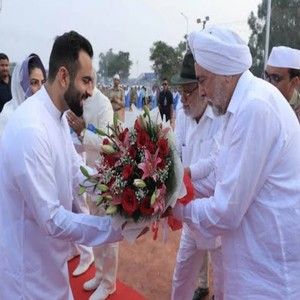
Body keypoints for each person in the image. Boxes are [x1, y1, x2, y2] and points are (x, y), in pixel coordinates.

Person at [172, 26, 300, 299]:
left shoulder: (254, 107)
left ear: (226, 75)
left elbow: (225, 212)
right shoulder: (240, 105)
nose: (202, 91)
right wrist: (174, 185)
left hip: (268, 274)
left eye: (203, 80)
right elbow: (221, 172)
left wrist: (173, 208)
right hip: (252, 263)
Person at [0, 31, 123, 300]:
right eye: (86, 81)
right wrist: (114, 229)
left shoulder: (57, 117)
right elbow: (53, 220)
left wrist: (120, 191)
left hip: (51, 271)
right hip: (27, 283)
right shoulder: (31, 128)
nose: (91, 91)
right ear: (64, 76)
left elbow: (75, 172)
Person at [171, 52, 223, 300]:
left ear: (202, 91)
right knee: (182, 270)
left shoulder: (220, 117)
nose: (182, 99)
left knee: (223, 275)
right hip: (190, 204)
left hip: (215, 208)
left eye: (188, 92)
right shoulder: (182, 114)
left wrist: (186, 174)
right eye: (180, 92)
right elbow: (177, 147)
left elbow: (215, 161)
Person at [67, 80, 119, 300]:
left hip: (108, 177)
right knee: (96, 228)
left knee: (110, 232)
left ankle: (109, 282)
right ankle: (99, 274)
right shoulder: (81, 103)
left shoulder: (103, 103)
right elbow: (83, 144)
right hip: (90, 175)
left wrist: (81, 132)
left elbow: (109, 143)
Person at [0, 53, 46, 138]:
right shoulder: (8, 117)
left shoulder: (44, 113)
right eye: (34, 83)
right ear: (21, 85)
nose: (41, 89)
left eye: (42, 83)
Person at [264, 46, 300, 121]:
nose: (267, 83)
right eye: (266, 76)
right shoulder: (259, 102)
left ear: (294, 82)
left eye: (275, 78)